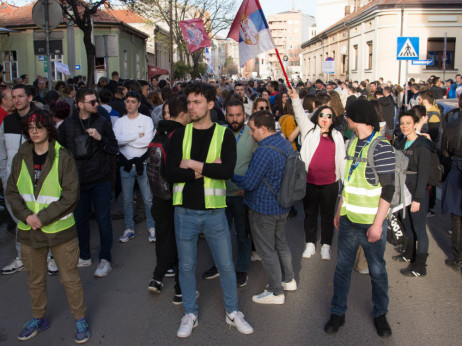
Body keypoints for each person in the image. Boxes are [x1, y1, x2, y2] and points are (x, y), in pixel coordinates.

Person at [166, 82, 253, 338]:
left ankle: (232, 311)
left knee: (226, 266)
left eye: (197, 102)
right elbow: (170, 174)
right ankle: (190, 313)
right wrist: (205, 169)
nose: (191, 107)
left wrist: (191, 164)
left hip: (215, 212)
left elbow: (226, 171)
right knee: (186, 266)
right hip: (184, 212)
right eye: (189, 102)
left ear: (211, 105)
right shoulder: (180, 134)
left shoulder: (223, 135)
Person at [6, 111, 90, 343]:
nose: (34, 131)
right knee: (35, 279)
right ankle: (38, 317)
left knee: (70, 278)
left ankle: (79, 319)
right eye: (30, 127)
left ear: (49, 130)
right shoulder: (20, 157)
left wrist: (41, 218)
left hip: (59, 230)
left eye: (39, 127)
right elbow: (11, 192)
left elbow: (71, 195)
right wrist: (26, 216)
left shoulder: (62, 156)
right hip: (29, 230)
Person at [324, 99, 395, 338]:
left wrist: (377, 225)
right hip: (348, 220)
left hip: (370, 225)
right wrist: (339, 209)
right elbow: (349, 181)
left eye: (348, 116)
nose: (346, 120)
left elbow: (388, 189)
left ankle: (380, 314)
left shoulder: (381, 146)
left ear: (358, 118)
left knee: (377, 271)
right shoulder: (353, 142)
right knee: (342, 268)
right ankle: (337, 312)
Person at [232, 110, 297, 305]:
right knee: (281, 243)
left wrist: (231, 175)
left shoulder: (263, 151)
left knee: (267, 251)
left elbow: (250, 183)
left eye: (252, 129)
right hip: (283, 205)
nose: (250, 133)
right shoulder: (285, 144)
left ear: (262, 128)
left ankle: (276, 291)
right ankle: (289, 280)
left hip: (263, 208)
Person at [58, 88, 118, 278]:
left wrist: (100, 139)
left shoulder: (102, 121)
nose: (96, 105)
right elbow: (59, 153)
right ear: (80, 104)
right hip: (76, 182)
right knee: (80, 220)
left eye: (97, 101)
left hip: (100, 179)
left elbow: (114, 148)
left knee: (103, 220)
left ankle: (105, 258)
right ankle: (84, 255)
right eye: (92, 102)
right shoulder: (67, 126)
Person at [1, 85, 55, 275]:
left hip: (36, 180)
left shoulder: (40, 119)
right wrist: (4, 175)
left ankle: (48, 257)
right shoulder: (7, 121)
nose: (16, 100)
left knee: (40, 217)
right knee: (20, 221)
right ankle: (22, 257)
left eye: (20, 96)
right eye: (13, 97)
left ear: (29, 97)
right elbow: (2, 153)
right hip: (12, 180)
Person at [202, 98, 256, 287]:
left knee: (242, 234)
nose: (235, 119)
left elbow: (257, 164)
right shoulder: (218, 133)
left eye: (238, 115)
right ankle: (219, 265)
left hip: (241, 195)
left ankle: (241, 268)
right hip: (219, 194)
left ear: (244, 115)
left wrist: (249, 187)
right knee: (218, 234)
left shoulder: (252, 134)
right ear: (225, 115)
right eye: (231, 115)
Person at [290, 88, 345, 261]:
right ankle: (310, 243)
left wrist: (345, 187)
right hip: (310, 182)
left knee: (328, 215)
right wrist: (295, 99)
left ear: (333, 119)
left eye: (329, 116)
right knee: (310, 214)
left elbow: (342, 161)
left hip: (330, 183)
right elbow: (299, 114)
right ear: (317, 116)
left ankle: (326, 245)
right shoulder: (309, 130)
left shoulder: (337, 136)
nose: (325, 119)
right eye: (322, 115)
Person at [147, 94, 190, 302]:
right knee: (180, 240)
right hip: (176, 194)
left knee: (163, 236)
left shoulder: (159, 130)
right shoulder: (181, 134)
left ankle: (158, 276)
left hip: (158, 193)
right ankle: (180, 289)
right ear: (182, 114)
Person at [394, 110, 432, 276]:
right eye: (402, 123)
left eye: (408, 123)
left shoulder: (422, 145)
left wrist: (418, 199)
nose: (405, 126)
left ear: (415, 124)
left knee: (419, 229)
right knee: (407, 225)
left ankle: (420, 267)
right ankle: (409, 255)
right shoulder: (401, 143)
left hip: (417, 194)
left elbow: (424, 175)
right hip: (404, 193)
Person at [113, 91, 155, 243]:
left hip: (143, 164)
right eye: (127, 101)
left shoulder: (147, 120)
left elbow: (148, 142)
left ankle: (152, 227)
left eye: (133, 101)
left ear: (138, 104)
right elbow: (116, 140)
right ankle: (129, 228)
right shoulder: (119, 122)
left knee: (148, 198)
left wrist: (127, 140)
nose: (129, 104)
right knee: (127, 199)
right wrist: (137, 135)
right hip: (125, 164)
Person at [441, 95, 462, 272]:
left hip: (457, 169)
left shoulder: (451, 125)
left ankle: (458, 257)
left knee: (456, 217)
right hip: (456, 167)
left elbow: (445, 151)